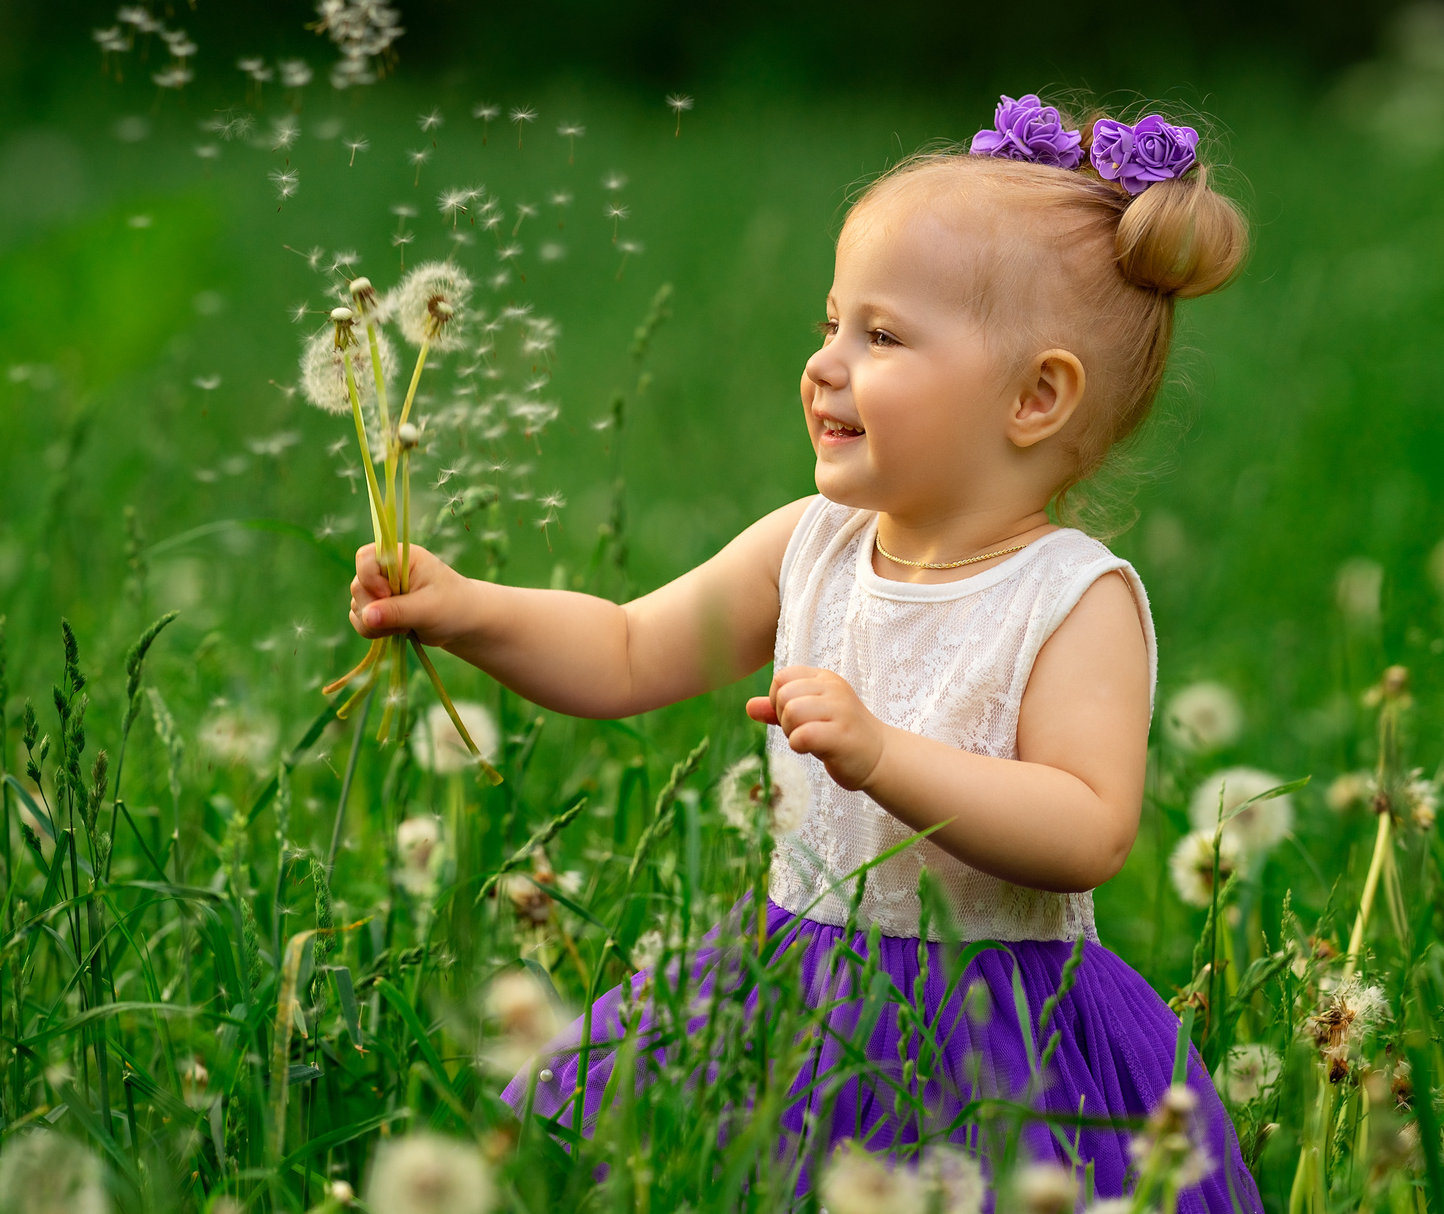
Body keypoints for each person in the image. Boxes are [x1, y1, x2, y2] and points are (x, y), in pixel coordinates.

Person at [348, 92, 1258, 1208]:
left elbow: (1087, 825)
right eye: (831, 323)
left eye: (881, 335)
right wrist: (466, 609)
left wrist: (884, 754)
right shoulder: (812, 543)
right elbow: (627, 648)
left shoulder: (1071, 598)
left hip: (992, 1029)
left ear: (1036, 395)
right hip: (791, 985)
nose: (824, 364)